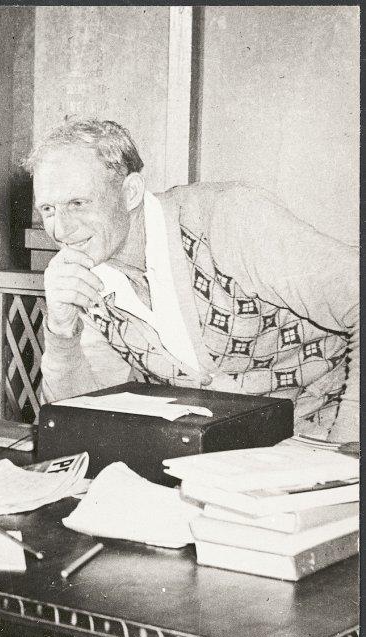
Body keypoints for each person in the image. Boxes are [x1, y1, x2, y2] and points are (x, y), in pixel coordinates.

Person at [26, 117, 359, 442]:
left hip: (327, 435)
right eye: (48, 210)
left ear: (130, 193)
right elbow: (80, 420)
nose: (60, 230)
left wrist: (350, 449)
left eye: (78, 203)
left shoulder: (227, 217)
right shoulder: (87, 273)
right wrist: (61, 331)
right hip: (231, 462)